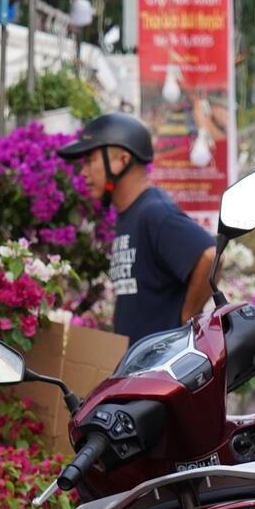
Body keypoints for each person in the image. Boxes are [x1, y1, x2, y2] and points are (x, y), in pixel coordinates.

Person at [59, 113, 216, 340]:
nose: (83, 172)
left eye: (90, 160)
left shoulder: (153, 212)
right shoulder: (130, 213)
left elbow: (210, 256)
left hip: (162, 369)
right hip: (138, 370)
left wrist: (188, 316)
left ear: (122, 160)